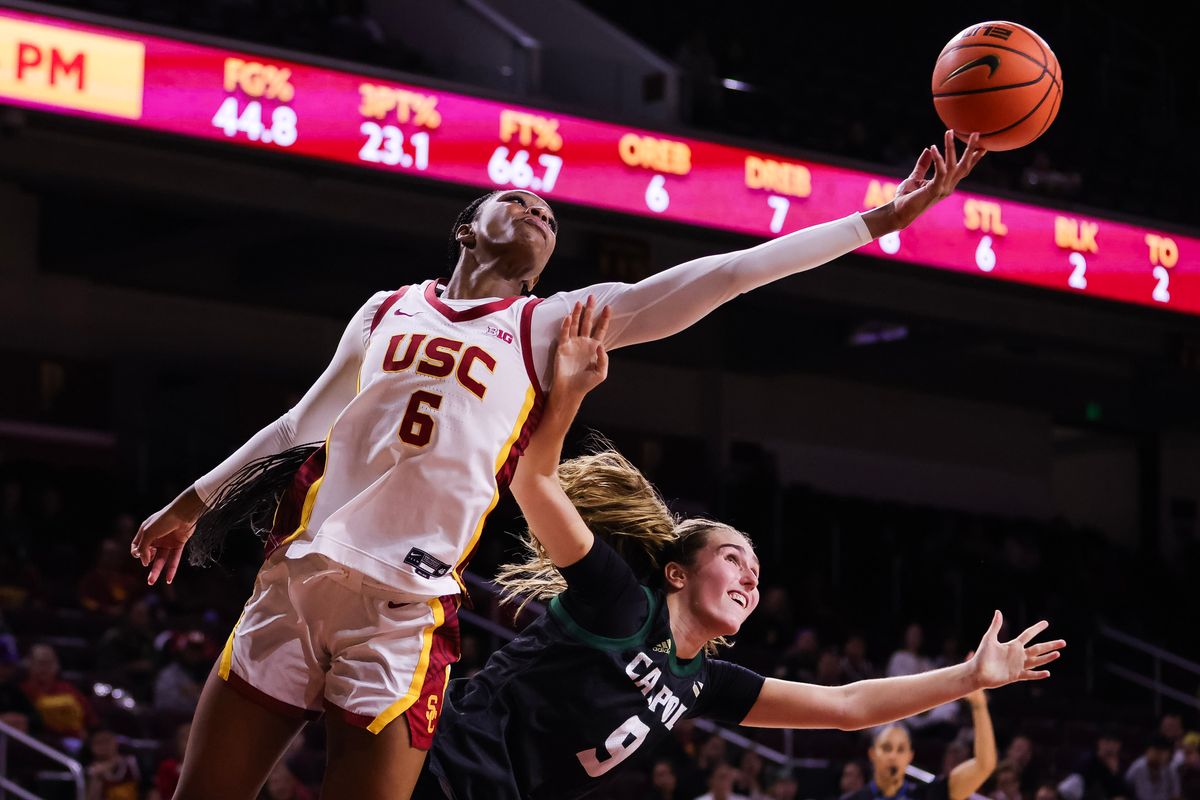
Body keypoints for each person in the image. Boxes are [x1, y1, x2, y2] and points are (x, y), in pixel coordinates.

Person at [132, 132, 987, 799]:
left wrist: (876, 220)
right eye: (520, 200)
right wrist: (190, 504)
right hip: (299, 576)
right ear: (467, 226)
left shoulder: (552, 327)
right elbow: (300, 422)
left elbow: (727, 274)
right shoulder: (385, 307)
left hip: (402, 609)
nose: (543, 212)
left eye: (552, 215)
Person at [416, 303, 1061, 799]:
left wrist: (969, 679)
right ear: (676, 573)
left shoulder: (702, 681)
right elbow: (533, 480)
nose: (750, 576)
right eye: (732, 558)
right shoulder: (619, 603)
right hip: (441, 767)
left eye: (755, 571)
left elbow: (846, 707)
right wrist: (570, 393)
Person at [845, 685, 997, 800]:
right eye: (886, 748)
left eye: (900, 749)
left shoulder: (928, 794)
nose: (893, 756)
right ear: (872, 754)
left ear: (910, 756)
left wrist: (979, 704)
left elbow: (984, 765)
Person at [1125, 736, 1181, 800]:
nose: (1160, 756)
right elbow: (1126, 793)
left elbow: (1175, 796)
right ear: (1147, 751)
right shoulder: (1137, 769)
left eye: (1163, 753)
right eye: (1157, 752)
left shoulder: (1171, 769)